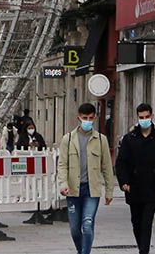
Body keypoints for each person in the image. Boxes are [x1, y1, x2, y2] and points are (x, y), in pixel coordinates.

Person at [57, 102, 115, 254]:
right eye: (84, 118)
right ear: (79, 117)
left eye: (90, 118)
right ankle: (81, 250)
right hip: (73, 189)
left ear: (94, 117)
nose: (87, 121)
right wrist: (63, 184)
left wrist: (109, 192)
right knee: (75, 229)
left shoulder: (101, 140)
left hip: (91, 190)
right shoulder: (68, 139)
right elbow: (62, 165)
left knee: (88, 225)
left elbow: (107, 168)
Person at [115, 103, 155, 254]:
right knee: (136, 222)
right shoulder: (129, 138)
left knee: (147, 222)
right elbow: (121, 162)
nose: (144, 120)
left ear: (152, 116)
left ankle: (144, 251)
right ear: (137, 118)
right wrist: (124, 181)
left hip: (153, 187)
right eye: (141, 117)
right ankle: (141, 246)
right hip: (134, 187)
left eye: (147, 117)